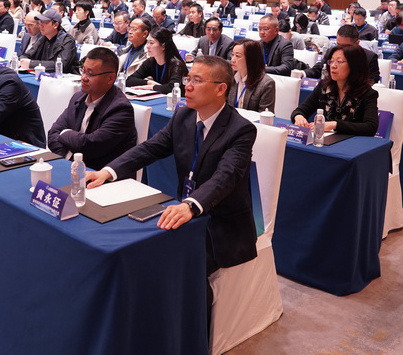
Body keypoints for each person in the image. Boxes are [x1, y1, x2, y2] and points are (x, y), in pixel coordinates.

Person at [86, 55, 258, 276]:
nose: (188, 86)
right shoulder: (184, 116)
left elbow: (225, 177)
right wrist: (108, 172)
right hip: (182, 213)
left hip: (219, 227)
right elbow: (150, 148)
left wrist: (191, 205)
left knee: (177, 269)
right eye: (188, 78)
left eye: (197, 80)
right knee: (134, 252)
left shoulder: (241, 130)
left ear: (220, 89)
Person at [46, 48, 138, 170]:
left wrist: (64, 133)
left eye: (90, 74)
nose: (83, 78)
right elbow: (52, 135)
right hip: (74, 168)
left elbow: (90, 146)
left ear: (110, 78)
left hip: (102, 176)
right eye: (83, 71)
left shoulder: (121, 110)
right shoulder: (78, 98)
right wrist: (72, 158)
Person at [292, 44, 379, 136]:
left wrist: (334, 125)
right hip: (325, 140)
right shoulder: (324, 86)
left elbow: (370, 127)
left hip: (351, 142)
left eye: (339, 62)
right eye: (331, 61)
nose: (333, 66)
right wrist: (299, 117)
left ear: (354, 65)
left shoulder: (367, 94)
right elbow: (300, 110)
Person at [305, 25, 380, 82]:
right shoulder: (332, 52)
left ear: (357, 43)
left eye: (345, 46)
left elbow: (372, 80)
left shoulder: (369, 57)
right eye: (338, 44)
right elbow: (318, 69)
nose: (340, 49)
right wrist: (303, 73)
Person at [126, 27, 187, 94]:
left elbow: (172, 88)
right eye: (147, 42)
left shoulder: (176, 65)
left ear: (163, 45)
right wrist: (149, 82)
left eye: (151, 43)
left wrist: (152, 87)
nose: (147, 46)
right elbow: (129, 80)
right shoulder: (150, 62)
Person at [20, 9, 80, 73]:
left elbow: (60, 65)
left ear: (55, 25)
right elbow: (27, 55)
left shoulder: (67, 41)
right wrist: (22, 60)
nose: (40, 25)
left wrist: (31, 64)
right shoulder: (43, 38)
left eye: (44, 22)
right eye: (40, 22)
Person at [228, 39, 275, 113]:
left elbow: (265, 114)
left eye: (237, 56)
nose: (232, 60)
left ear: (250, 58)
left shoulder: (266, 84)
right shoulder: (230, 77)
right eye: (232, 54)